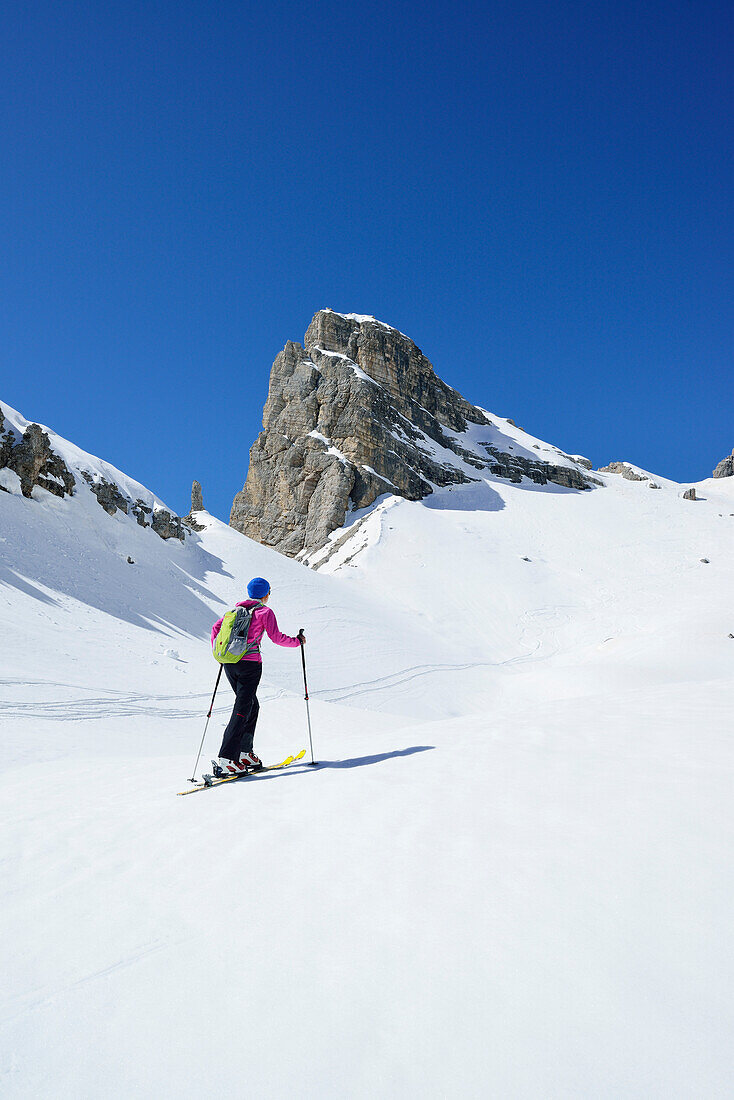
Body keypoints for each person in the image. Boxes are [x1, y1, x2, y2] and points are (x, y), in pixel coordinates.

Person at [211, 577, 304, 773]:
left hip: (229, 663)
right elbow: (276, 638)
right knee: (243, 708)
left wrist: (220, 652)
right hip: (250, 665)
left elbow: (216, 628)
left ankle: (245, 753)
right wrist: (297, 641)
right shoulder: (264, 611)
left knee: (251, 705)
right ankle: (227, 758)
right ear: (266, 593)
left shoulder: (235, 611)